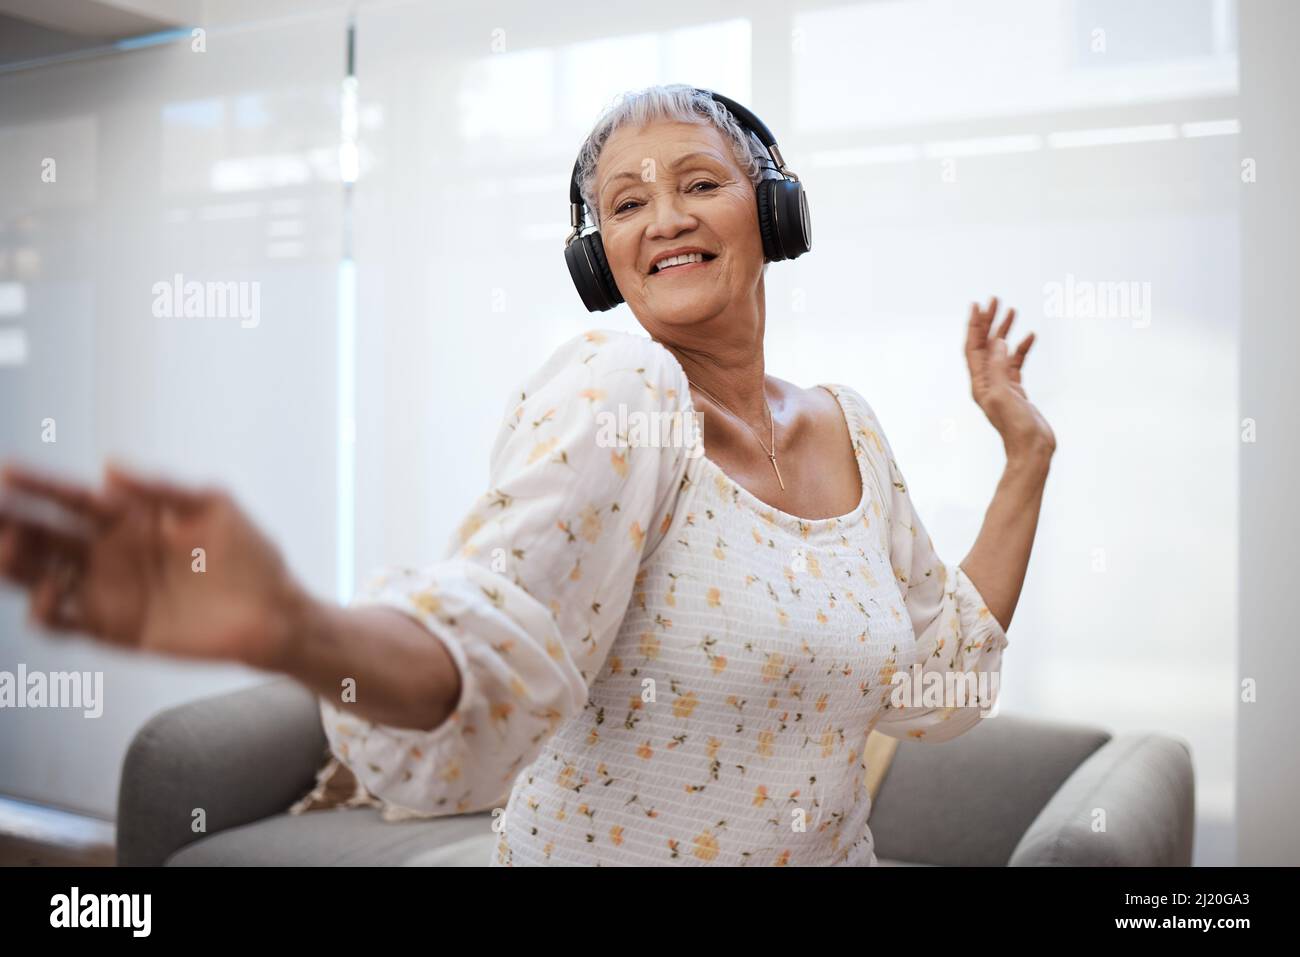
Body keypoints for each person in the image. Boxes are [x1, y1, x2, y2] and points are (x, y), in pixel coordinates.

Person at [0, 84, 1054, 866]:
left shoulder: (848, 427)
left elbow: (940, 683)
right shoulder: (621, 387)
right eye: (626, 205)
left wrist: (1025, 456)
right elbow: (494, 632)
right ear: (600, 258)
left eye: (699, 184)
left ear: (771, 213)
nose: (666, 219)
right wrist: (294, 627)